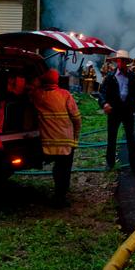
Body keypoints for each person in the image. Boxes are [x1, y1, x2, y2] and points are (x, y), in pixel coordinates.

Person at [31, 68, 82, 208]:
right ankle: (60, 198)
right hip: (66, 141)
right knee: (64, 170)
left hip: (47, 142)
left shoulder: (37, 95)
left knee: (57, 169)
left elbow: (29, 88)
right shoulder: (65, 94)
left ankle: (58, 197)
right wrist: (75, 138)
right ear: (57, 80)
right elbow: (77, 118)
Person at [98, 50, 135, 173]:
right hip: (114, 111)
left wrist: (133, 109)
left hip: (127, 111)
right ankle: (110, 163)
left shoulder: (132, 77)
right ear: (117, 62)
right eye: (120, 60)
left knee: (131, 137)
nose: (122, 63)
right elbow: (102, 92)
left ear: (127, 62)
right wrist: (104, 104)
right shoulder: (110, 77)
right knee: (112, 137)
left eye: (124, 60)